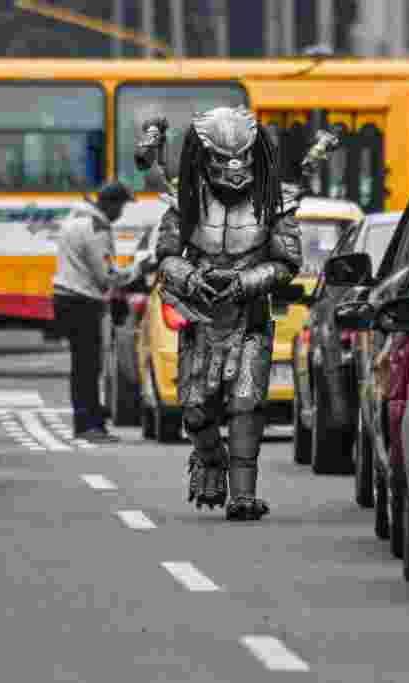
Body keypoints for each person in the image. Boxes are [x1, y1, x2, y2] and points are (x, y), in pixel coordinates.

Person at [150, 107, 303, 521]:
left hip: (248, 314)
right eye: (221, 160)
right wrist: (189, 276)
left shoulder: (276, 200)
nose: (233, 171)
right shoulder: (184, 198)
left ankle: (243, 494)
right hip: (199, 316)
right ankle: (210, 461)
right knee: (196, 410)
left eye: (241, 159)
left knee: (245, 404)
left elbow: (289, 263)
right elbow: (163, 257)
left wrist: (246, 282)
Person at [52, 182, 136, 443]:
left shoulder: (75, 218)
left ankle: (86, 421)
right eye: (121, 207)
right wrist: (137, 272)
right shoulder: (96, 228)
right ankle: (88, 425)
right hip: (82, 302)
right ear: (110, 204)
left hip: (65, 297)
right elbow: (106, 276)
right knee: (89, 367)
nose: (121, 213)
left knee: (81, 365)